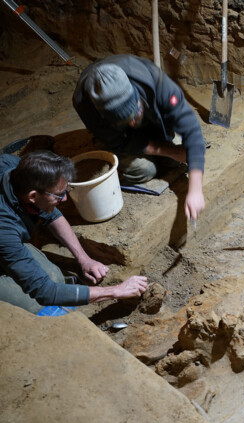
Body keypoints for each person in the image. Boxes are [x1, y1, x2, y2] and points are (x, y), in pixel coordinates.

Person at [0, 150, 148, 315]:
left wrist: (84, 259)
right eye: (58, 195)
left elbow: (51, 214)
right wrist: (115, 291)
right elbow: (45, 292)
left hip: (7, 242)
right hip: (4, 241)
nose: (64, 199)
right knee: (35, 304)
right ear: (33, 196)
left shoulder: (14, 167)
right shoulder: (4, 229)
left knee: (55, 276)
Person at [73, 54, 206, 221]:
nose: (132, 123)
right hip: (118, 135)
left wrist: (195, 190)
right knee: (145, 170)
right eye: (125, 121)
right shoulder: (84, 104)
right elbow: (121, 141)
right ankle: (117, 167)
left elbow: (191, 128)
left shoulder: (156, 84)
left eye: (134, 115)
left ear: (138, 100)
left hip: (148, 107)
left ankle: (151, 134)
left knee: (179, 156)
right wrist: (170, 151)